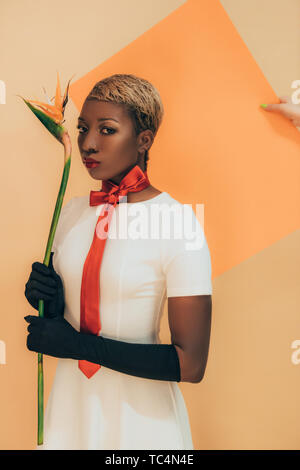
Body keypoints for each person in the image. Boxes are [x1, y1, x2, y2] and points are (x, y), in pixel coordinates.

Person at [24, 74, 213, 450]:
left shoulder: (178, 223)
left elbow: (190, 365)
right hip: (69, 412)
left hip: (140, 424)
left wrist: (77, 345)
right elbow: (75, 319)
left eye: (106, 130)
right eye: (82, 128)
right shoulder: (72, 213)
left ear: (143, 140)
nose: (87, 143)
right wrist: (52, 305)